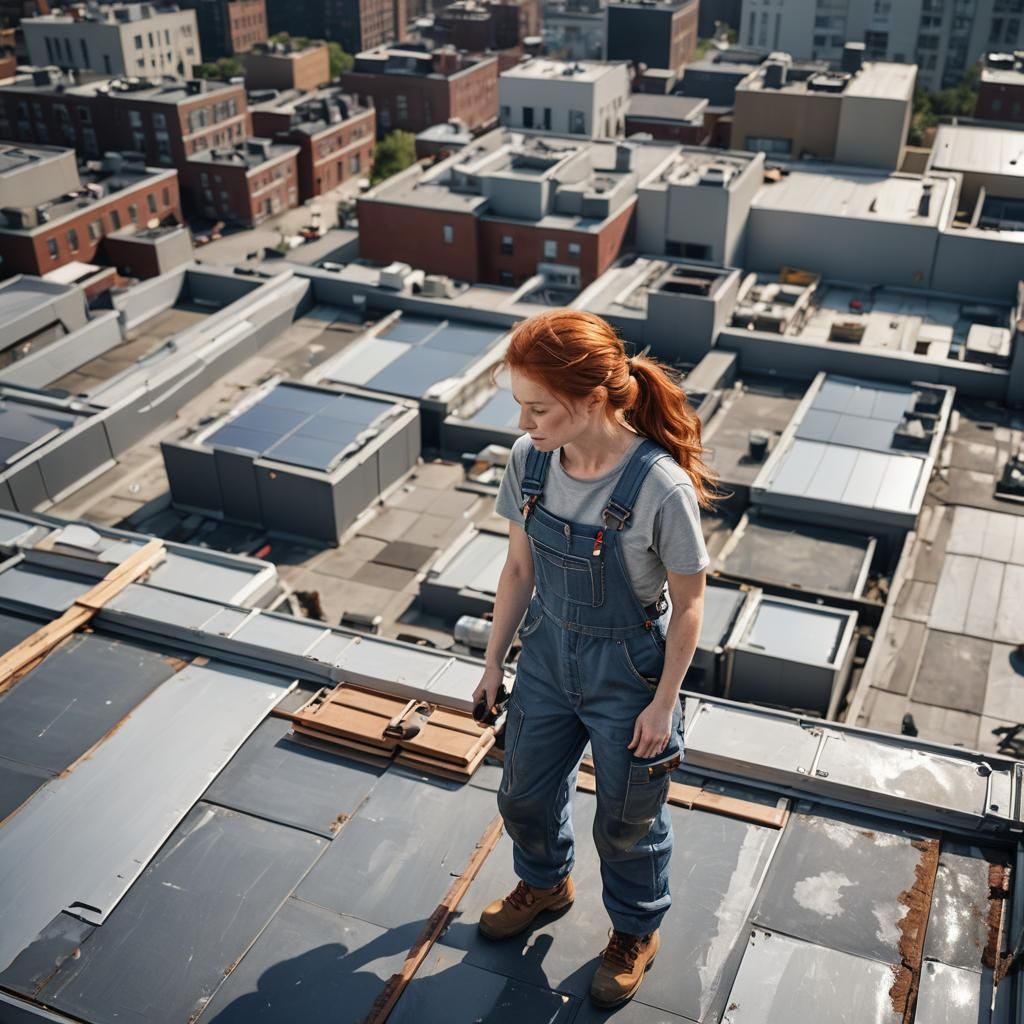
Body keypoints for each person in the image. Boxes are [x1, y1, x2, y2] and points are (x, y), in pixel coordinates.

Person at [471, 309, 715, 1010]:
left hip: (629, 676)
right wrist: (493, 664)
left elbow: (690, 606)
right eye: (520, 405)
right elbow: (519, 570)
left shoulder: (659, 486)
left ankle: (635, 930)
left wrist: (663, 705)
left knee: (626, 822)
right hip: (547, 658)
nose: (524, 423)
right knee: (521, 794)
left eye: (538, 408)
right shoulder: (529, 462)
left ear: (590, 399)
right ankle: (546, 883)